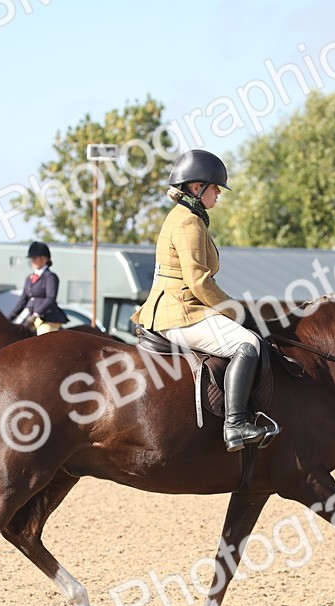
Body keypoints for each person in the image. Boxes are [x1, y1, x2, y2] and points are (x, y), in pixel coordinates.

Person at [131, 149, 277, 452]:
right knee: (247, 343)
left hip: (177, 307)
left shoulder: (183, 217)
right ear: (197, 188)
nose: (219, 194)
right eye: (216, 188)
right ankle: (236, 424)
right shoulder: (189, 223)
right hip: (179, 311)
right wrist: (238, 312)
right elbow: (199, 282)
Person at [9, 241, 69, 335]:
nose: (32, 261)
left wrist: (36, 314)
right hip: (31, 318)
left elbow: (50, 298)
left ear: (44, 258)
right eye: (31, 258)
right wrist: (9, 318)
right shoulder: (29, 278)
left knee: (42, 338)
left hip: (48, 319)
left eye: (35, 258)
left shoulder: (50, 277)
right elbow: (23, 300)